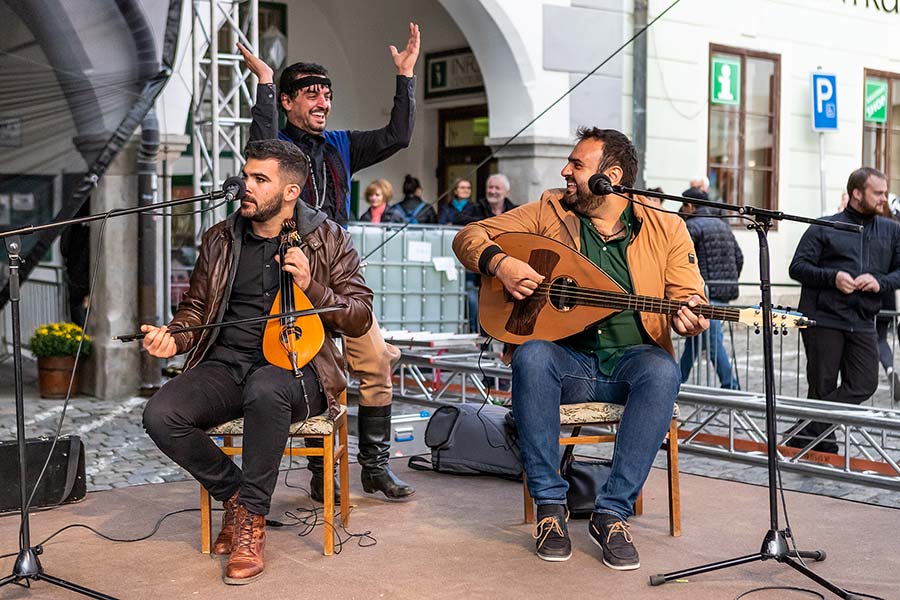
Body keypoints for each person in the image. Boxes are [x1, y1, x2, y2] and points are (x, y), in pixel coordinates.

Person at [452, 127, 708, 569]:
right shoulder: (549, 211)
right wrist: (503, 263)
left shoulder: (668, 228)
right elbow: (469, 235)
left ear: (611, 176)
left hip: (631, 363)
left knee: (663, 371)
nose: (565, 171)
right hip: (566, 362)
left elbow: (690, 295)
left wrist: (693, 315)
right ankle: (551, 509)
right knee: (531, 356)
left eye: (576, 165)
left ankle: (612, 514)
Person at [141, 140, 373, 584]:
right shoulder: (221, 237)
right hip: (227, 363)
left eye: (259, 180)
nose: (245, 186)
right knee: (161, 413)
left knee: (266, 389)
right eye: (246, 175)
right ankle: (237, 498)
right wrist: (176, 337)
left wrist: (314, 288)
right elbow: (196, 308)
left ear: (290, 192)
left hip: (300, 369)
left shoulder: (329, 238)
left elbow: (360, 317)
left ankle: (251, 524)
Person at [239, 23, 420, 500]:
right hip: (287, 273)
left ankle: (375, 467)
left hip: (336, 270)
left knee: (377, 359)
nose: (322, 102)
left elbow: (397, 136)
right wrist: (263, 83)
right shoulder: (277, 147)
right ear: (288, 101)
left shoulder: (340, 145)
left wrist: (405, 78)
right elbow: (259, 147)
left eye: (327, 94)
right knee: (322, 373)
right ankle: (323, 473)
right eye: (311, 94)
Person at [788, 167, 900, 453]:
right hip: (823, 318)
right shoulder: (825, 226)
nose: (884, 199)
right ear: (856, 193)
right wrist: (833, 277)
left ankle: (805, 430)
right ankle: (823, 448)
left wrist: (881, 282)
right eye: (878, 193)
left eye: (885, 193)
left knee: (864, 383)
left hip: (863, 319)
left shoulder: (892, 230)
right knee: (822, 386)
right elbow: (797, 267)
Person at [678, 188, 743, 389]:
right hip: (723, 291)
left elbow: (682, 261)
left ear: (690, 206)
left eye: (684, 205)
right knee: (696, 343)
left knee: (712, 342)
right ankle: (676, 381)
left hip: (704, 295)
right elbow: (739, 257)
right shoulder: (723, 226)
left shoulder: (691, 227)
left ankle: (731, 386)